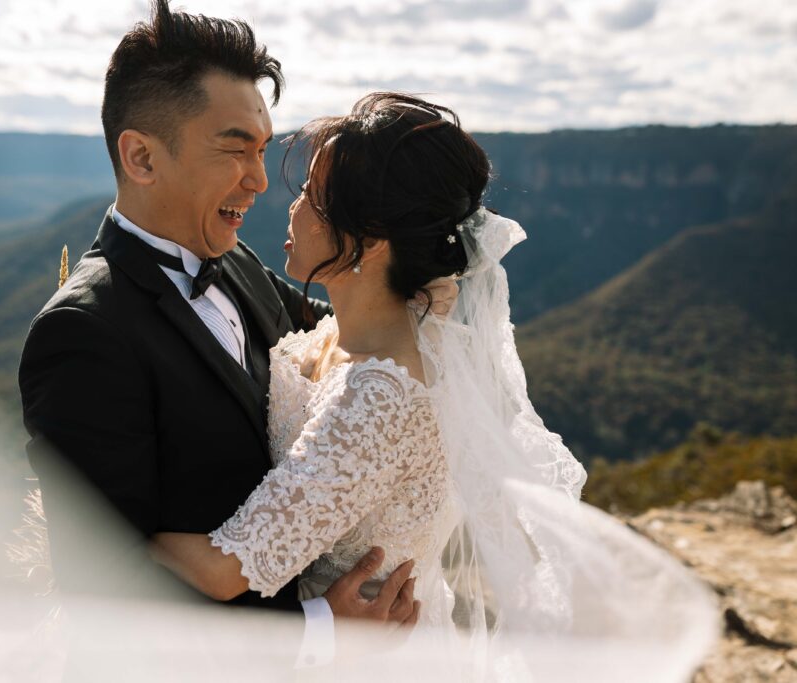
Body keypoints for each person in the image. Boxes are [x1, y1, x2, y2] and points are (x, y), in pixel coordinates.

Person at [149, 92, 720, 680]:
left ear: (371, 241)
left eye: (312, 198)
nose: (289, 207)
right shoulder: (361, 332)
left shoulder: (381, 399)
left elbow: (222, 572)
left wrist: (107, 519)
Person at [17, 0, 418, 673]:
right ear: (141, 157)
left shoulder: (236, 263)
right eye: (235, 150)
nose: (259, 180)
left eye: (262, 151)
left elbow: (352, 341)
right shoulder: (82, 334)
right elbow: (109, 597)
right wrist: (317, 631)